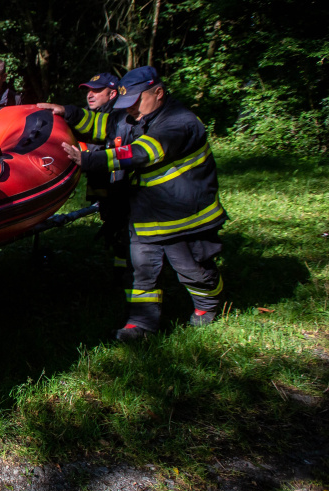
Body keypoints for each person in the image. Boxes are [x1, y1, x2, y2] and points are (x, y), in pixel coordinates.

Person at [38, 66, 227, 342]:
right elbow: (102, 125)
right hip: (146, 215)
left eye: (136, 103)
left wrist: (92, 159)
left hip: (184, 218)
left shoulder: (180, 122)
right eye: (126, 104)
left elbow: (144, 152)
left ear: (159, 93)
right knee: (142, 271)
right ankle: (141, 325)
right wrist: (69, 112)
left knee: (192, 271)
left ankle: (208, 305)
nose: (131, 110)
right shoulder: (132, 116)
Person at [78, 72, 131, 284]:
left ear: (112, 94)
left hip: (123, 187)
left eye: (97, 90)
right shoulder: (93, 118)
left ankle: (126, 274)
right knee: (114, 225)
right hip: (108, 188)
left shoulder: (121, 118)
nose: (90, 95)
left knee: (124, 228)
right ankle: (121, 269)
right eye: (88, 90)